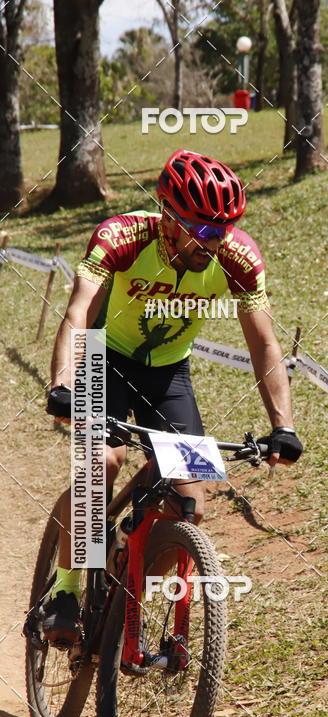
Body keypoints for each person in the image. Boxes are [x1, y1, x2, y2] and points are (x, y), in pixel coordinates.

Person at [40, 148, 302, 646]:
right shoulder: (122, 237)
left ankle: (123, 583)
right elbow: (76, 314)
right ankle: (68, 591)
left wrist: (283, 426)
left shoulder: (237, 255)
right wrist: (64, 386)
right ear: (167, 216)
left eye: (224, 229)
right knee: (103, 464)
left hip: (168, 372)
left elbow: (264, 343)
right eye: (203, 230)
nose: (215, 241)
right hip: (103, 356)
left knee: (191, 503)